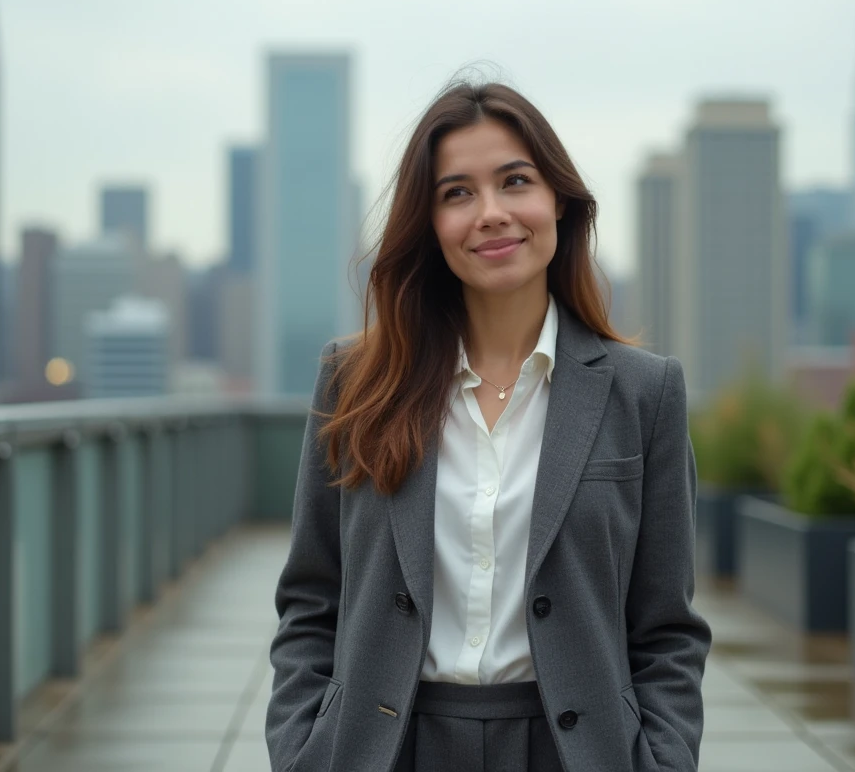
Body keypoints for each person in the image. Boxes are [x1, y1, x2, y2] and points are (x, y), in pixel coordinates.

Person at [265, 79, 711, 772]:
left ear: (558, 199)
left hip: (576, 751)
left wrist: (663, 759)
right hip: (386, 748)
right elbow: (310, 603)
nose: (492, 213)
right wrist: (303, 751)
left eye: (515, 182)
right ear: (430, 223)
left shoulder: (644, 393)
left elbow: (667, 629)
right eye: (457, 193)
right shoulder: (356, 383)